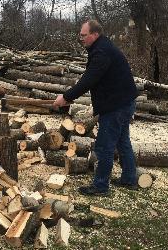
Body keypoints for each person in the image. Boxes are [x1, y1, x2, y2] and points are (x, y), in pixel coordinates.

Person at [53, 20, 138, 196]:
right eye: (81, 35)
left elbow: (89, 79)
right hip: (122, 102)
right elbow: (93, 78)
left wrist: (66, 97)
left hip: (116, 106)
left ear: (95, 34)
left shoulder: (101, 52)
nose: (81, 38)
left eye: (84, 35)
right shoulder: (102, 48)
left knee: (104, 146)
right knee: (123, 142)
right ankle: (129, 179)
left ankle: (100, 187)